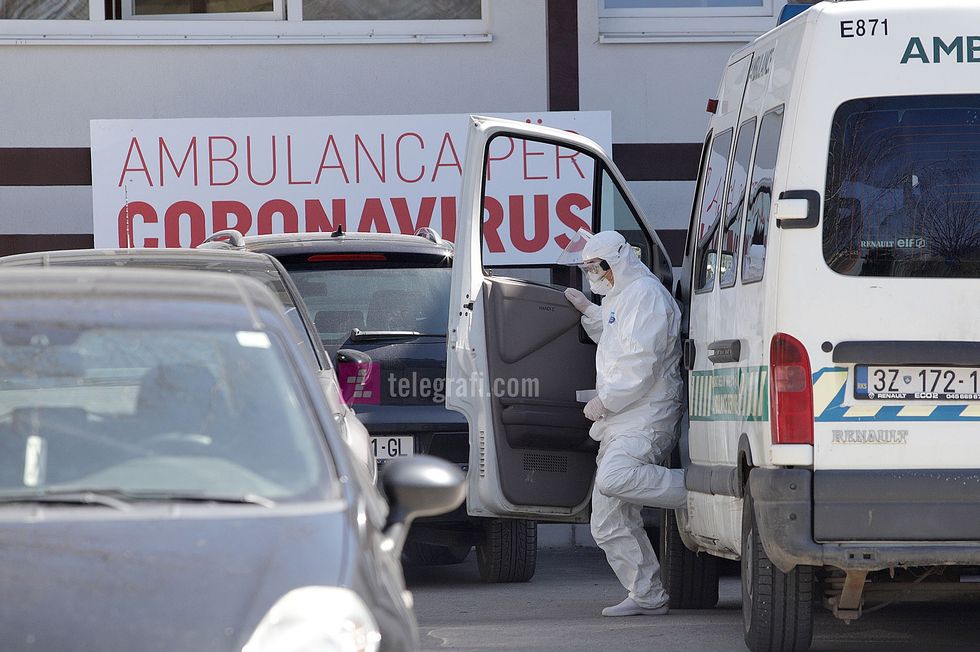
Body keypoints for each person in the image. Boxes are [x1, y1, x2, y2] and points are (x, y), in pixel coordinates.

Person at [560, 229, 687, 617]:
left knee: (614, 477)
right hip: (623, 417)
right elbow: (616, 336)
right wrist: (589, 311)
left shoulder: (646, 295)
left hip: (646, 414)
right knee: (607, 520)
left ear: (617, 261)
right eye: (587, 269)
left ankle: (696, 494)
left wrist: (604, 400)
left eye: (597, 268)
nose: (594, 276)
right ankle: (648, 596)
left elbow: (640, 364)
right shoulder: (623, 296)